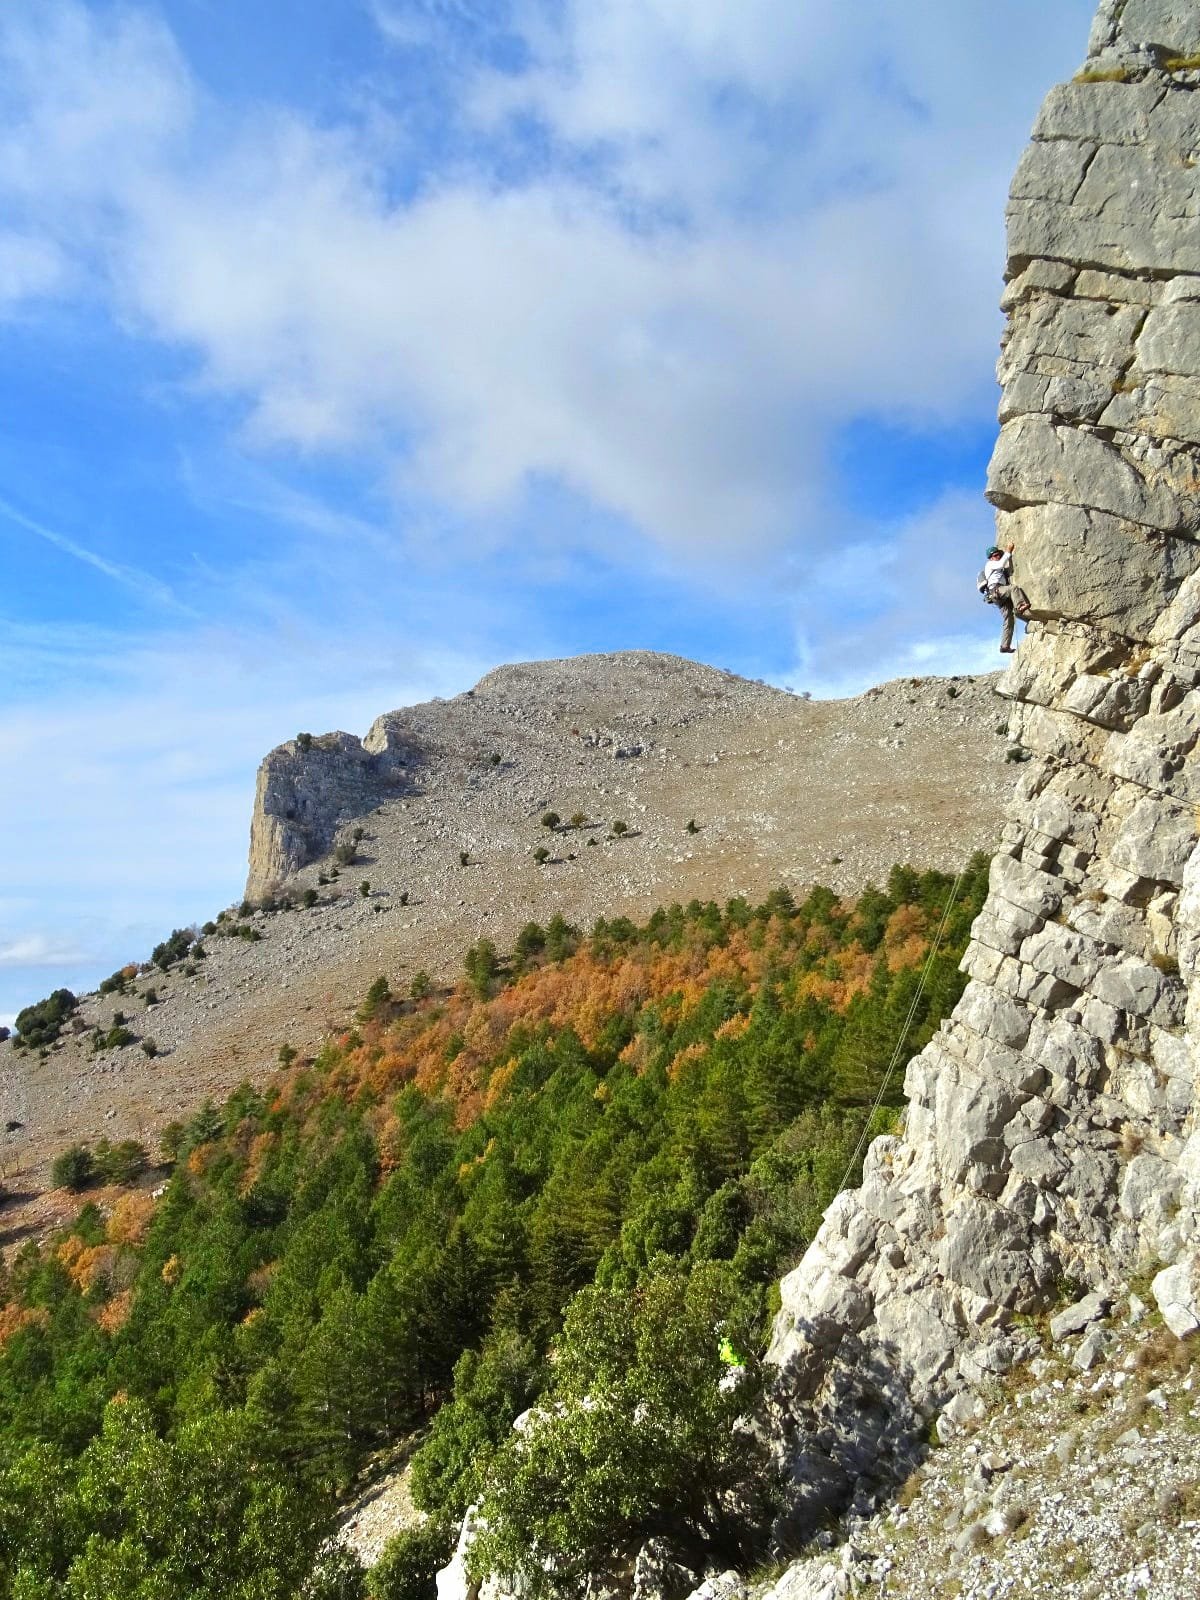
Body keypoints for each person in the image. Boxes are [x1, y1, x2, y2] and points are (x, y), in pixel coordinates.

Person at [979, 542, 1030, 653]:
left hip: (998, 595)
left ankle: (1004, 646)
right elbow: (1001, 564)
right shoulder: (990, 564)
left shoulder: (997, 568)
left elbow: (1004, 568)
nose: (998, 556)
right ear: (991, 557)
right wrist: (1008, 551)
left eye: (998, 554)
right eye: (996, 555)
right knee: (1013, 588)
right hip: (997, 590)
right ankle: (1020, 605)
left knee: (1009, 619)